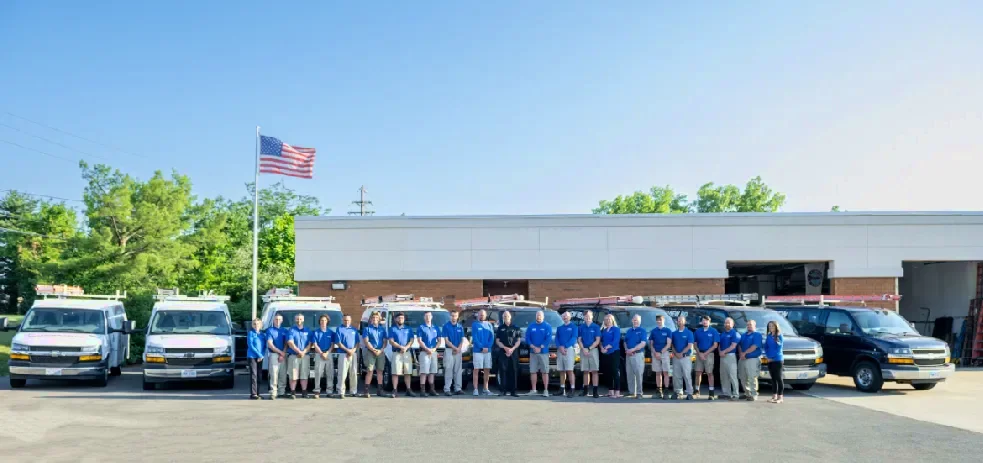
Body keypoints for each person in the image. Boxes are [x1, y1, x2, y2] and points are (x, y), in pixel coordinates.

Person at [525, 310, 553, 398]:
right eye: (537, 315)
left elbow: (548, 339)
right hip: (533, 352)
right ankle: (534, 390)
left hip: (543, 353)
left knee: (545, 372)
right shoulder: (531, 326)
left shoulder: (547, 326)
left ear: (543, 317)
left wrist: (540, 347)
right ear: (535, 316)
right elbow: (527, 338)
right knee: (533, 371)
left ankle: (546, 390)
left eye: (540, 315)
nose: (539, 317)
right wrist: (532, 346)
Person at [389, 312, 417, 398]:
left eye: (402, 318)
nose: (401, 319)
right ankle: (395, 390)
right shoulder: (392, 329)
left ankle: (408, 389)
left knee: (408, 372)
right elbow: (391, 341)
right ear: (395, 319)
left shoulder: (408, 329)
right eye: (399, 318)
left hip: (407, 353)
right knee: (395, 372)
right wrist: (400, 347)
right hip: (397, 353)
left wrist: (406, 347)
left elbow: (411, 340)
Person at [495, 310, 522, 397]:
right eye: (504, 316)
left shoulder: (516, 328)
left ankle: (513, 391)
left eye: (507, 316)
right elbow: (497, 341)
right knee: (503, 371)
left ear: (510, 317)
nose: (506, 317)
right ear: (503, 318)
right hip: (503, 352)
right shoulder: (500, 328)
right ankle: (503, 391)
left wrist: (512, 349)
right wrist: (505, 348)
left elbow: (518, 341)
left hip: (513, 352)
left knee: (513, 371)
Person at [361, 311, 388, 398]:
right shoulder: (367, 329)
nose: (375, 319)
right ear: (371, 319)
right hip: (370, 352)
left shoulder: (382, 329)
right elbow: (366, 341)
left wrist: (381, 350)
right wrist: (373, 349)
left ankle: (380, 390)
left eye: (376, 317)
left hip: (380, 352)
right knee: (370, 370)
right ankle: (366, 391)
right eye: (373, 317)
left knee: (380, 371)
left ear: (379, 319)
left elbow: (385, 342)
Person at [693, 315, 720, 400]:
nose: (705, 322)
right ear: (701, 322)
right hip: (699, 353)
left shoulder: (713, 331)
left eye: (706, 320)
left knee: (709, 373)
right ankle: (696, 391)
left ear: (709, 322)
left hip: (709, 354)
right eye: (703, 320)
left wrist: (705, 354)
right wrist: (699, 353)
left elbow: (715, 345)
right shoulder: (698, 331)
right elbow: (695, 344)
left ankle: (711, 393)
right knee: (698, 373)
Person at [286, 314, 312, 399]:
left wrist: (303, 352)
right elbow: (290, 343)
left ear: (303, 320)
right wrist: (298, 351)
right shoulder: (291, 330)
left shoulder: (308, 330)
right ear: (295, 320)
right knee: (293, 375)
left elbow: (310, 344)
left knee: (304, 375)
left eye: (300, 319)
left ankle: (304, 392)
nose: (299, 320)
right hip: (294, 356)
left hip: (305, 355)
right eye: (297, 319)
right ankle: (293, 392)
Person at [310, 315, 336, 399]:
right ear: (319, 321)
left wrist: (327, 353)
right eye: (321, 320)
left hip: (328, 354)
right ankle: (317, 390)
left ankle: (329, 391)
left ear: (327, 321)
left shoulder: (331, 332)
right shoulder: (316, 332)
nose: (323, 322)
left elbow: (332, 345)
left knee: (330, 373)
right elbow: (315, 345)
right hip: (319, 354)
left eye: (325, 320)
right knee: (318, 373)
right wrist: (321, 353)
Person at [470, 310, 495, 396]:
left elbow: (492, 337)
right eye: (480, 315)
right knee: (476, 369)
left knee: (487, 369)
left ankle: (485, 389)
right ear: (478, 315)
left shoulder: (489, 325)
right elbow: (475, 337)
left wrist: (488, 347)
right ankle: (475, 389)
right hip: (478, 351)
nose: (481, 316)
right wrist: (481, 347)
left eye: (483, 315)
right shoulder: (475, 325)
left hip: (487, 351)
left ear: (485, 315)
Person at [335, 315, 361, 399]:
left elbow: (357, 342)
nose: (347, 322)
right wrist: (347, 350)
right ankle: (341, 392)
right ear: (343, 320)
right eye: (345, 320)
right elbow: (338, 343)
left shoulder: (354, 330)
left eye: (348, 320)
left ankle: (353, 391)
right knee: (342, 373)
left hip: (353, 353)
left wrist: (353, 350)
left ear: (351, 320)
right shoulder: (339, 329)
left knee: (353, 373)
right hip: (343, 354)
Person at [738, 319, 764, 401]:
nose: (749, 326)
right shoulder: (743, 335)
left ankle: (754, 394)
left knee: (752, 377)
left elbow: (754, 346)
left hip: (752, 359)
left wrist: (744, 353)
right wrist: (741, 354)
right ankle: (747, 393)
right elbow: (739, 345)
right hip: (742, 359)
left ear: (754, 326)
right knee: (743, 377)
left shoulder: (757, 335)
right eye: (748, 325)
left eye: (751, 325)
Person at [717, 317, 742, 401]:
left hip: (730, 356)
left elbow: (733, 346)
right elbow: (719, 345)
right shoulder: (722, 334)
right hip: (722, 356)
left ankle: (735, 394)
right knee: (724, 375)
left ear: (732, 324)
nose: (726, 324)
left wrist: (723, 352)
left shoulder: (735, 334)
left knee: (732, 375)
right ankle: (726, 393)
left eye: (728, 323)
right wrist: (720, 352)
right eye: (725, 323)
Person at [577, 310, 601, 398]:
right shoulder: (581, 327)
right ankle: (585, 391)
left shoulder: (596, 327)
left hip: (593, 350)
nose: (587, 317)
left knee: (594, 371)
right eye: (586, 316)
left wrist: (589, 348)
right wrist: (583, 348)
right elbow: (579, 339)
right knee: (585, 371)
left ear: (592, 316)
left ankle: (595, 391)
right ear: (584, 317)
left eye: (589, 316)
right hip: (583, 350)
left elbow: (597, 340)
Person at [648, 314, 672, 400]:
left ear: (663, 320)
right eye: (657, 320)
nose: (659, 321)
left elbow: (668, 344)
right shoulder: (653, 331)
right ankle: (659, 391)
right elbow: (651, 344)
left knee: (666, 372)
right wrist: (655, 352)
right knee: (658, 372)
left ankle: (666, 391)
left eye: (660, 320)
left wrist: (661, 352)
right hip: (655, 354)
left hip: (664, 353)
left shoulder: (668, 330)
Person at [671, 315, 695, 400]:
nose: (679, 322)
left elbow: (689, 345)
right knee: (676, 376)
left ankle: (689, 393)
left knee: (687, 375)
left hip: (685, 357)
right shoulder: (674, 333)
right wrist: (676, 353)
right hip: (676, 357)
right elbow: (672, 345)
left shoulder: (689, 333)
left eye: (681, 321)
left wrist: (681, 353)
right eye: (678, 321)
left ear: (684, 322)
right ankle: (678, 392)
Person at [417, 311, 441, 397]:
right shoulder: (421, 327)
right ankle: (422, 391)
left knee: (432, 371)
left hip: (433, 352)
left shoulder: (436, 328)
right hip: (424, 352)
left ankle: (432, 390)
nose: (428, 317)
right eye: (426, 316)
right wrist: (426, 349)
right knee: (424, 371)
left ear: (432, 317)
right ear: (424, 317)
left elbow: (439, 341)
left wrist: (434, 349)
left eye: (429, 316)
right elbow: (419, 340)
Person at [624, 314, 648, 399]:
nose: (635, 322)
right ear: (632, 321)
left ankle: (639, 393)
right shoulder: (629, 331)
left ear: (640, 321)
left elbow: (643, 343)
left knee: (638, 374)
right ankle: (631, 392)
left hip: (637, 354)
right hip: (629, 355)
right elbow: (625, 342)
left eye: (637, 320)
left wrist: (633, 349)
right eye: (634, 320)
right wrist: (627, 350)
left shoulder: (642, 331)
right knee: (629, 373)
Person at [555, 311, 578, 398]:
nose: (565, 317)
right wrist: (560, 347)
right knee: (561, 370)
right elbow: (556, 338)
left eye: (567, 316)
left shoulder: (574, 327)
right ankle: (562, 388)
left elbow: (574, 338)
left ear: (570, 317)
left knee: (569, 370)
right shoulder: (559, 328)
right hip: (560, 350)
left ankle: (572, 389)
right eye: (564, 316)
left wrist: (565, 346)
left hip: (569, 350)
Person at [442, 310, 465, 396]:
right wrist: (454, 348)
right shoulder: (446, 326)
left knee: (458, 370)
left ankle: (458, 388)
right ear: (450, 316)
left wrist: (459, 348)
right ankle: (447, 389)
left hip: (458, 351)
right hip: (449, 350)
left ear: (457, 317)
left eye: (455, 316)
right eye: (452, 316)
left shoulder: (460, 327)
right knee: (448, 370)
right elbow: (446, 340)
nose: (453, 317)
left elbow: (462, 339)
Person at [265, 313, 288, 400]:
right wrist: (280, 353)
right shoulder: (270, 330)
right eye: (276, 319)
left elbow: (286, 344)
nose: (278, 321)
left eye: (279, 319)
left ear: (282, 320)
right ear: (273, 320)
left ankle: (282, 392)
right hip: (274, 354)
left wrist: (283, 353)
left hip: (283, 354)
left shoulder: (285, 331)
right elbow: (270, 344)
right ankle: (273, 392)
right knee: (274, 374)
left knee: (283, 374)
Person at [599, 314, 622, 398]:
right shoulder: (604, 330)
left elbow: (616, 340)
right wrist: (602, 348)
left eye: (609, 319)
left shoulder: (616, 329)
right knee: (607, 372)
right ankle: (610, 391)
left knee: (615, 371)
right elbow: (600, 341)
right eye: (606, 319)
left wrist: (607, 347)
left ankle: (617, 392)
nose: (607, 321)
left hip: (614, 352)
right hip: (606, 353)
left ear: (612, 320)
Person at [764, 320, 785, 404]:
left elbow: (778, 349)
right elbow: (766, 347)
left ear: (776, 327)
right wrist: (768, 356)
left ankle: (780, 397)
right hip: (770, 360)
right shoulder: (769, 336)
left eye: (772, 326)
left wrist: (772, 357)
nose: (771, 327)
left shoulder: (779, 336)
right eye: (769, 326)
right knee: (773, 379)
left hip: (777, 360)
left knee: (779, 378)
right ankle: (774, 396)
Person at [246, 318, 266, 400]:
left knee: (259, 375)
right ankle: (253, 394)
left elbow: (264, 346)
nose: (256, 325)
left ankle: (258, 393)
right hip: (252, 357)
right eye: (254, 324)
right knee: (254, 375)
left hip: (260, 357)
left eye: (258, 324)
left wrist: (262, 355)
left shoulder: (262, 335)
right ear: (252, 325)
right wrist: (259, 355)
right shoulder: (251, 333)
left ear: (261, 325)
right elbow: (251, 345)